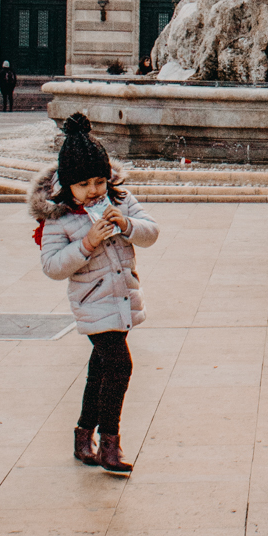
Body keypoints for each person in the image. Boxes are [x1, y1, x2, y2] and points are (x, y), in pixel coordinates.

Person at [30, 111, 159, 475]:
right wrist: (86, 244)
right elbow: (52, 266)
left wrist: (128, 223)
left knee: (101, 367)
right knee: (120, 365)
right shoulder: (60, 218)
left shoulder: (118, 199)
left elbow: (152, 232)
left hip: (122, 298)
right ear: (68, 185)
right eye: (84, 184)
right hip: (92, 304)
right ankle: (109, 445)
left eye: (100, 181)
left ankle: (82, 435)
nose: (93, 191)